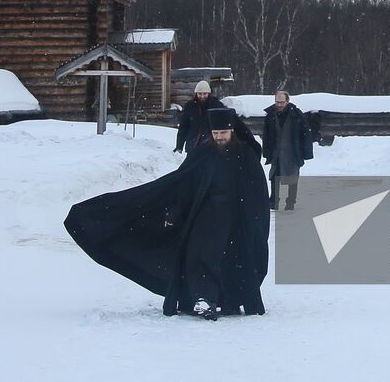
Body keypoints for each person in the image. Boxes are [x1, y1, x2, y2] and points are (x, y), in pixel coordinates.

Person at [65, 107, 270, 319]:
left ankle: (229, 300)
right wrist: (174, 214)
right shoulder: (203, 153)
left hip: (235, 219)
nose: (219, 138)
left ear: (232, 132)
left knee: (233, 259)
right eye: (215, 133)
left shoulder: (245, 155)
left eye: (223, 134)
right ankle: (204, 298)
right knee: (199, 255)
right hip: (204, 216)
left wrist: (254, 219)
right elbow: (182, 184)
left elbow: (256, 193)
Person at [261, 90, 313, 210]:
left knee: (292, 178)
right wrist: (267, 150)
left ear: (287, 101)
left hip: (293, 151)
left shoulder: (296, 115)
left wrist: (305, 151)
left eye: (282, 102)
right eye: (277, 102)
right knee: (274, 176)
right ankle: (273, 201)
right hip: (277, 152)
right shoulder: (271, 115)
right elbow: (266, 134)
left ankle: (290, 202)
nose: (279, 105)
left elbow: (305, 133)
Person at [174, 80, 223, 154]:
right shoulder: (189, 106)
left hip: (211, 147)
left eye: (205, 94)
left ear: (209, 93)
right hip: (193, 146)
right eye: (200, 94)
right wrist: (179, 146)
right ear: (196, 93)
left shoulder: (216, 105)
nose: (202, 96)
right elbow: (183, 127)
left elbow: (224, 124)